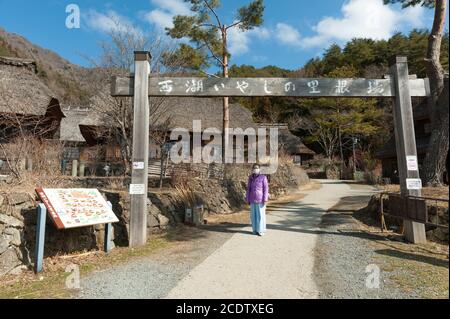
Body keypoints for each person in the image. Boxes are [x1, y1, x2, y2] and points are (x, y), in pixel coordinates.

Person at [246, 164, 269, 236]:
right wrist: (248, 199)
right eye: (254, 168)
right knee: (253, 215)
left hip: (260, 199)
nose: (255, 169)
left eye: (257, 168)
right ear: (252, 169)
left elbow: (266, 189)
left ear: (259, 169)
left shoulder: (263, 177)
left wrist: (265, 199)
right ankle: (255, 230)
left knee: (261, 215)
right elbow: (248, 189)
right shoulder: (250, 177)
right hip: (252, 199)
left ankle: (261, 230)